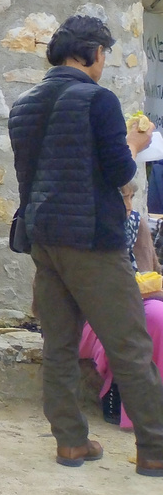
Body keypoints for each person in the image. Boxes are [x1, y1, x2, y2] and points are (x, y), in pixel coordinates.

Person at [9, 14, 163, 476]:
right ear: (94, 53)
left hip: (43, 239)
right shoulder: (98, 100)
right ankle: (155, 448)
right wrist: (134, 142)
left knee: (59, 343)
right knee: (129, 345)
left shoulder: (23, 105)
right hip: (93, 241)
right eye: (104, 55)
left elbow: (31, 177)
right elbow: (119, 173)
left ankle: (71, 442)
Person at [78, 177, 163, 429]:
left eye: (130, 197)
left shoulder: (137, 224)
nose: (128, 205)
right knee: (130, 321)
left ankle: (152, 401)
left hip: (140, 305)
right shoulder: (84, 228)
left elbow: (153, 271)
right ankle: (121, 396)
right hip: (93, 314)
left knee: (157, 314)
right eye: (121, 198)